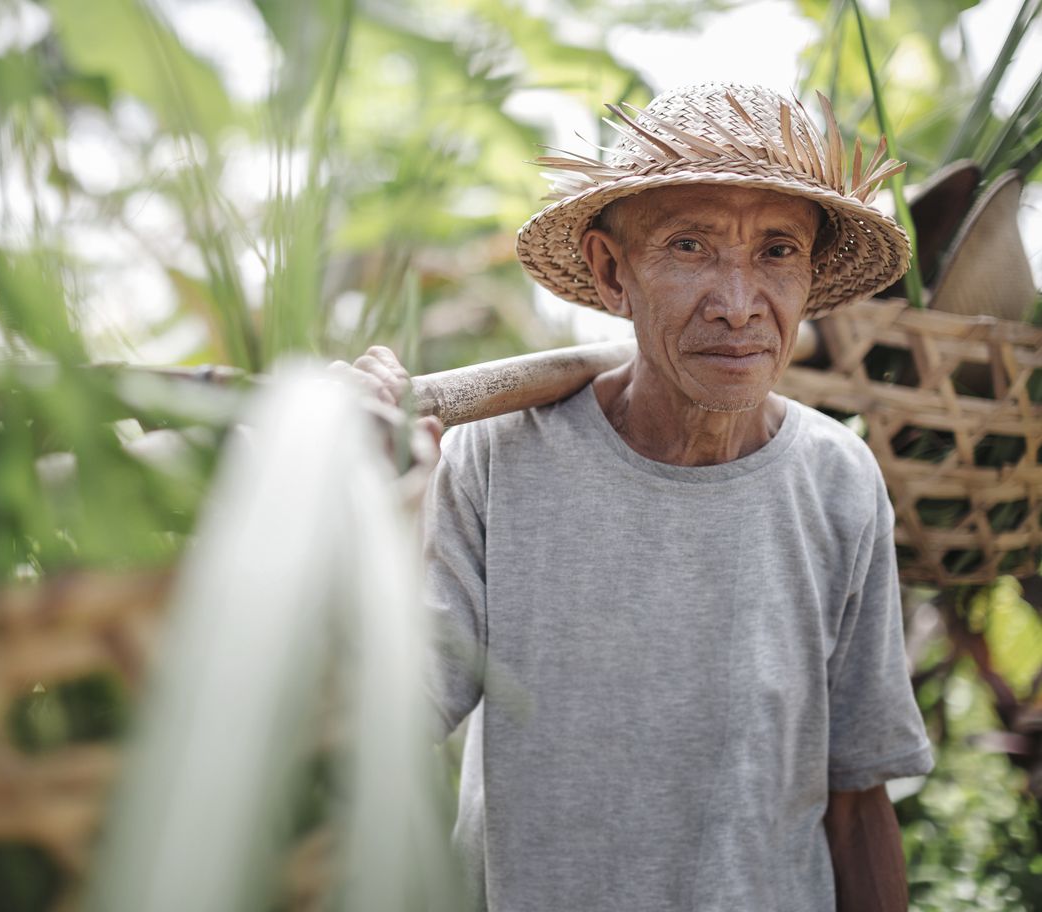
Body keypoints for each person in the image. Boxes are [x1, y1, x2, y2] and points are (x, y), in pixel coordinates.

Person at [343, 84, 934, 911]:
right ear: (611, 271)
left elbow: (857, 797)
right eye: (690, 246)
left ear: (810, 275)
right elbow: (386, 721)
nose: (738, 306)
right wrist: (373, 505)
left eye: (777, 251)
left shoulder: (839, 482)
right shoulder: (499, 459)